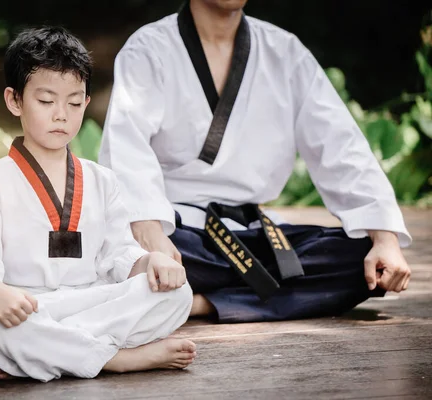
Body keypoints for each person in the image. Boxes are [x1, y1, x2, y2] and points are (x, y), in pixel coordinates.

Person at [99, 0, 412, 324]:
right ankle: (252, 294)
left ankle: (199, 302)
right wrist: (151, 236)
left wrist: (384, 237)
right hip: (180, 233)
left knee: (365, 258)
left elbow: (341, 146)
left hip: (255, 234)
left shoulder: (286, 53)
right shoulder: (148, 49)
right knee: (123, 252)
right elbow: (127, 147)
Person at [0, 27, 196, 383]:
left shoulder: (102, 179)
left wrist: (150, 260)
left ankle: (42, 356)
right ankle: (118, 359)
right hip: (28, 307)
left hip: (91, 303)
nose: (61, 115)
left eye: (75, 102)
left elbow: (118, 255)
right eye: (46, 101)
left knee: (177, 294)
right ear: (14, 100)